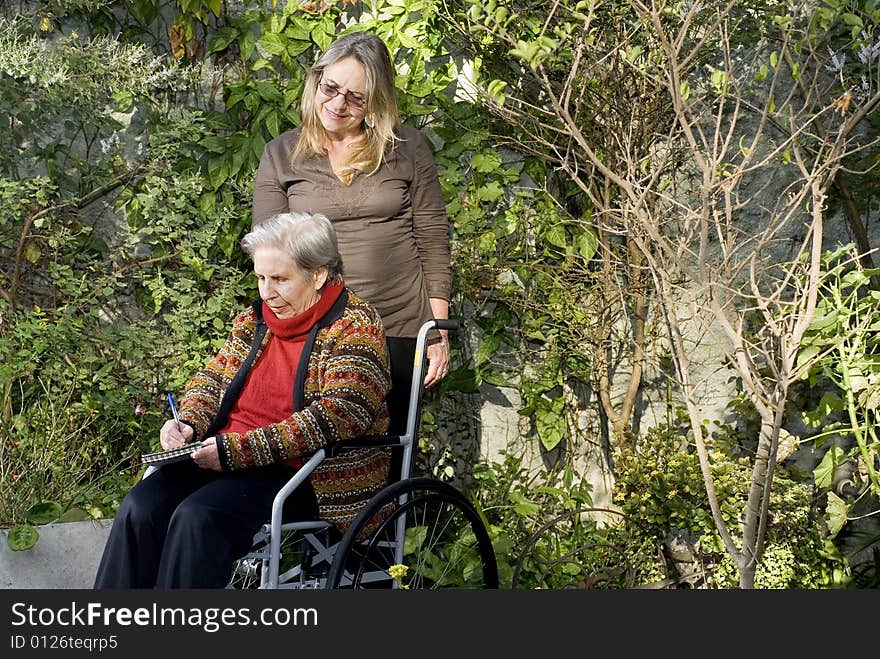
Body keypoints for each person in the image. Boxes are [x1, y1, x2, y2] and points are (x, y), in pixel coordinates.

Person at [94, 212, 391, 589]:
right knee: (140, 508)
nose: (267, 292)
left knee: (198, 516)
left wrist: (237, 451)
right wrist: (188, 422)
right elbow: (213, 379)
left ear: (317, 275)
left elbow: (340, 413)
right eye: (261, 278)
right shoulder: (255, 320)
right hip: (226, 454)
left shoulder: (356, 326)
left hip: (305, 472)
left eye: (281, 279)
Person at [251, 31, 452, 430]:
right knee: (317, 459)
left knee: (388, 458)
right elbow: (268, 251)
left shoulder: (407, 147)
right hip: (316, 333)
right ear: (316, 81)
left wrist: (437, 329)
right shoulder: (282, 153)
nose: (338, 104)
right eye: (331, 88)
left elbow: (432, 237)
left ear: (375, 101)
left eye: (355, 97)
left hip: (397, 327)